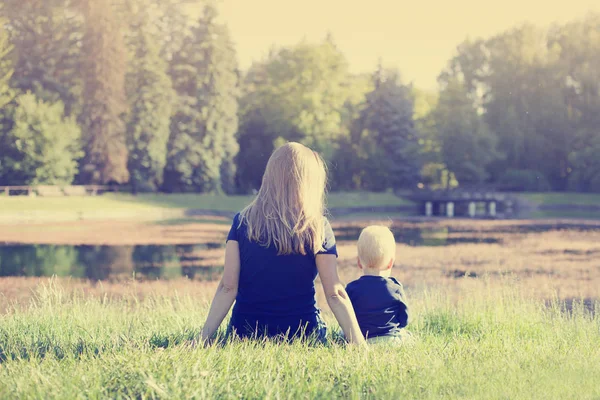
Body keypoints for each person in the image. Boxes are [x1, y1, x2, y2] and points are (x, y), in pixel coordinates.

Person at [199, 142, 365, 345]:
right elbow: (334, 293)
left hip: (245, 333)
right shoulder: (318, 227)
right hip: (302, 334)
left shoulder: (242, 221)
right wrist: (359, 343)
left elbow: (228, 287)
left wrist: (202, 338)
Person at [346, 226, 410, 344]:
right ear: (390, 263)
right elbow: (404, 319)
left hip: (360, 339)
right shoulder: (395, 288)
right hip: (390, 340)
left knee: (342, 333)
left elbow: (346, 316)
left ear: (359, 262)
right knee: (407, 335)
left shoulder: (351, 289)